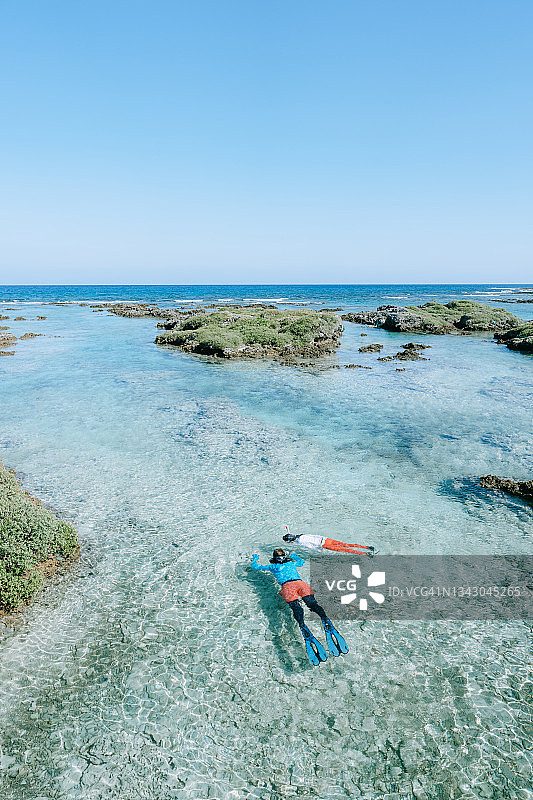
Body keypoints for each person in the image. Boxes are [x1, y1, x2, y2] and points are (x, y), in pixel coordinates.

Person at [250, 548, 348, 664]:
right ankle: (325, 619)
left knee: (296, 607)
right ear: (285, 557)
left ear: (274, 558)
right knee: (312, 604)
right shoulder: (292, 563)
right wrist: (294, 555)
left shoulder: (273, 567)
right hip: (301, 584)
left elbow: (255, 567)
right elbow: (302, 562)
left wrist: (255, 557)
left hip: (288, 587)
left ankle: (302, 625)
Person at [283, 526, 374, 555]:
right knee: (346, 545)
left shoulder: (300, 542)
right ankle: (367, 547)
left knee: (344, 550)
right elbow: (315, 535)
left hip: (323, 545)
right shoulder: (302, 535)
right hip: (326, 539)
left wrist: (317, 549)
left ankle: (365, 554)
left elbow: (310, 546)